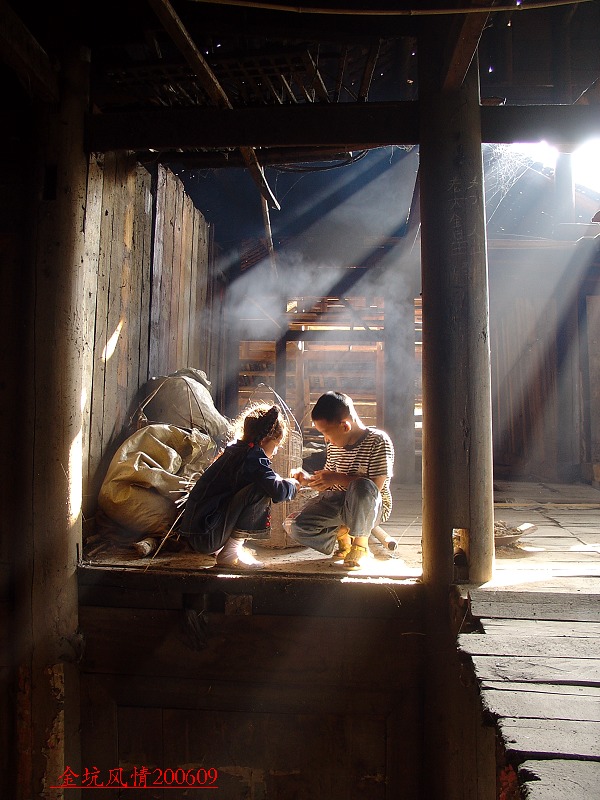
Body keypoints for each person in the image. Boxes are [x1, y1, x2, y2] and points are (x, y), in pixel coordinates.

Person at [178, 403, 299, 570]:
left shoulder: (236, 451)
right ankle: (230, 553)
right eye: (276, 444)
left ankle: (227, 549)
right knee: (260, 490)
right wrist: (293, 485)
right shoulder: (252, 456)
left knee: (261, 484)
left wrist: (278, 480)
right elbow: (276, 491)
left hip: (199, 532)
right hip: (206, 535)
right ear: (264, 440)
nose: (276, 451)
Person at [289, 391, 394, 570]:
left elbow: (374, 489)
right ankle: (343, 535)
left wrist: (338, 477)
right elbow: (330, 483)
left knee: (362, 486)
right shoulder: (334, 446)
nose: (325, 439)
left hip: (370, 508)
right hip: (339, 503)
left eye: (326, 433)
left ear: (345, 426)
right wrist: (309, 480)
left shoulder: (378, 441)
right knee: (294, 526)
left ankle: (361, 545)